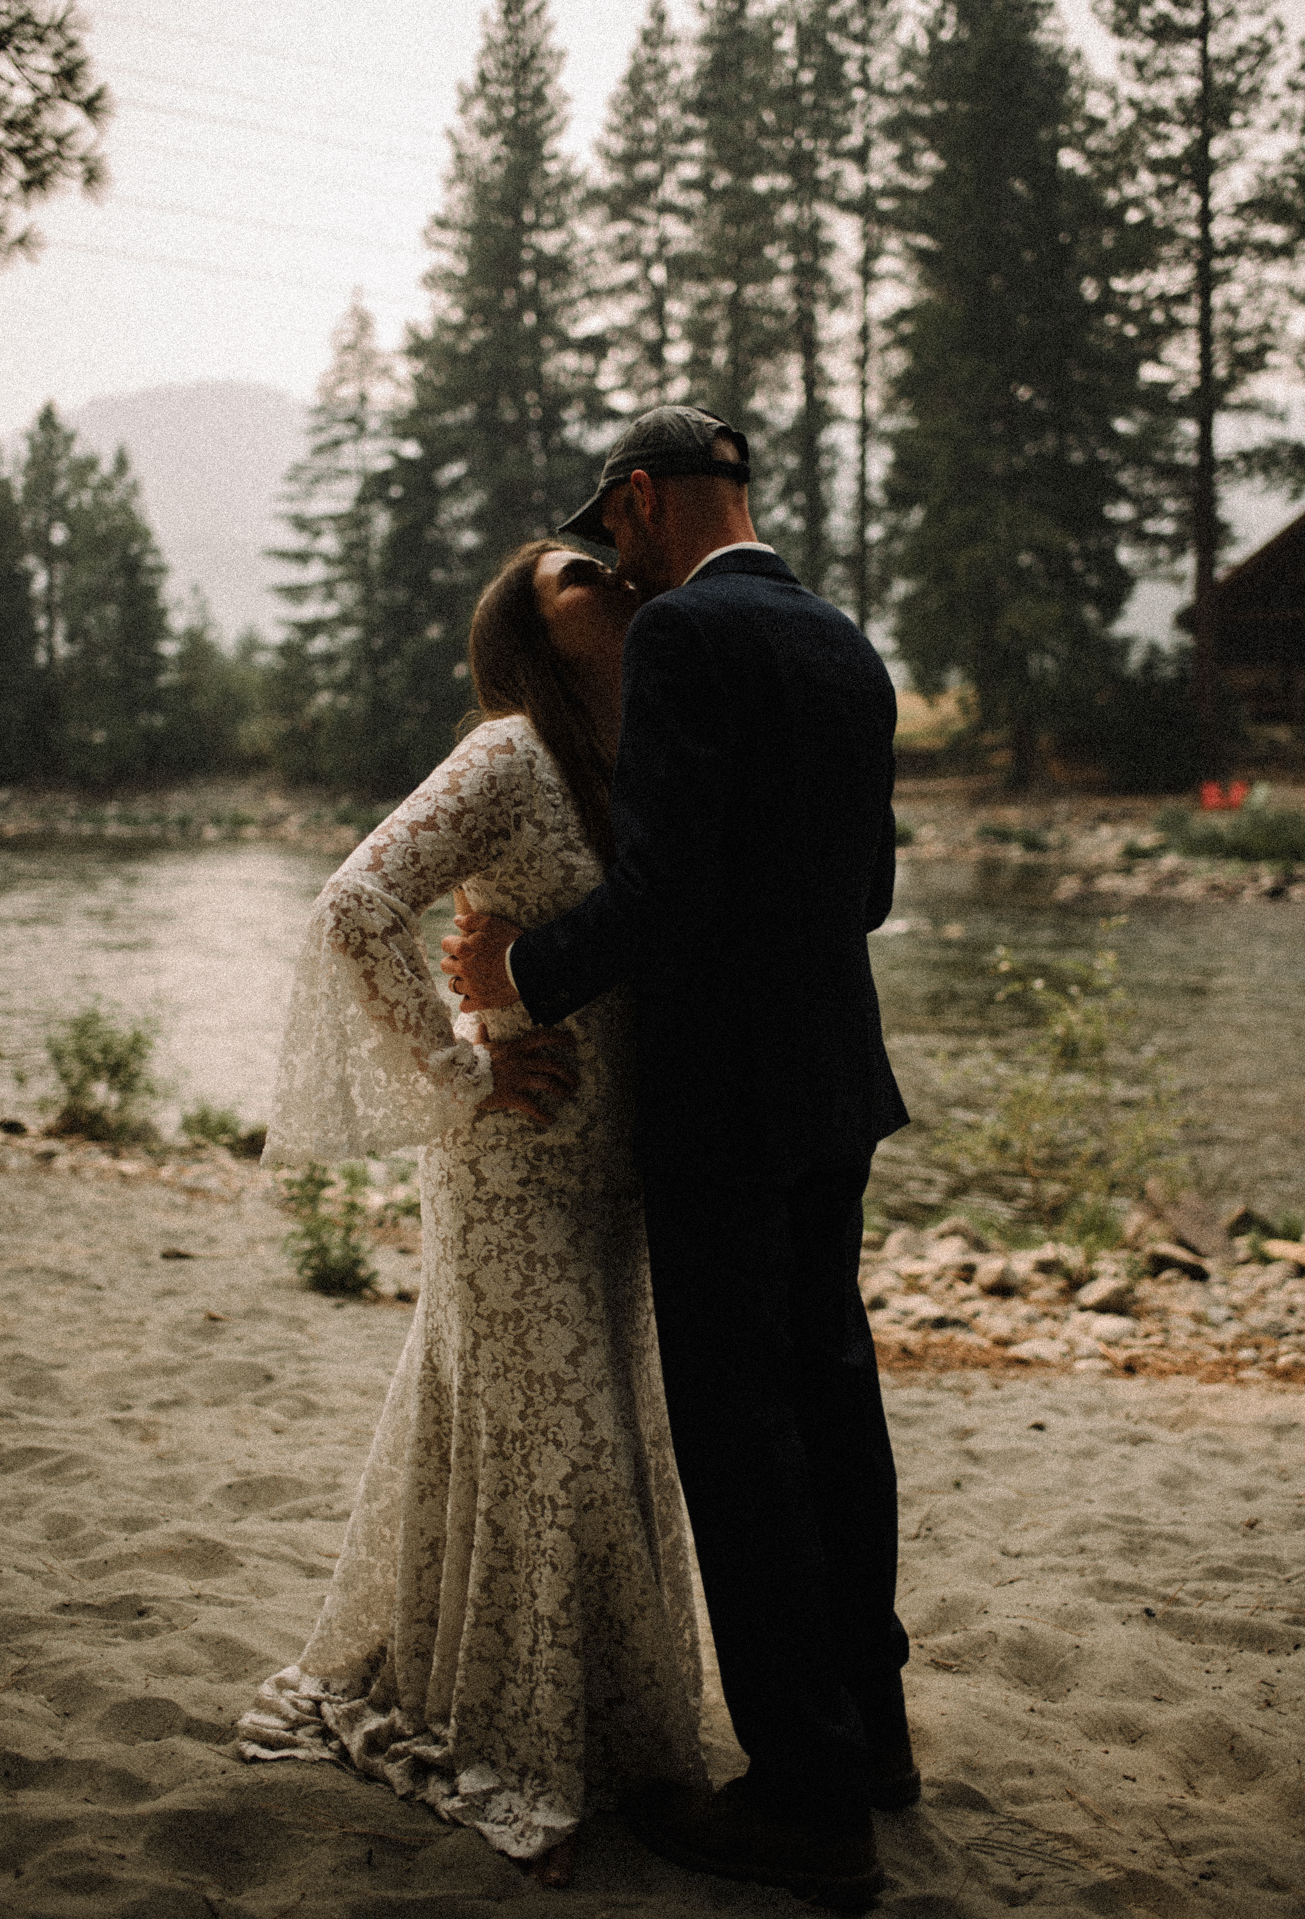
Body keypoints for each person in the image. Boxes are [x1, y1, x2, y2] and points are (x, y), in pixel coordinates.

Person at [443, 406, 914, 1908]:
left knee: (743, 1433)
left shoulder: (684, 647)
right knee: (836, 1400)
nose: (612, 558)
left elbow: (659, 892)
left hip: (720, 1097)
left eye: (611, 526)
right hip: (837, 1081)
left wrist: (519, 972)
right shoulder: (845, 643)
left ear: (640, 500)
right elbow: (874, 888)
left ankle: (802, 1798)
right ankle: (874, 1737)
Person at [237, 540, 710, 1886]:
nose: (615, 577)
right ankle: (519, 1755)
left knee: (594, 1437)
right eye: (579, 574)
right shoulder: (506, 752)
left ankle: (597, 1736)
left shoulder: (645, 756)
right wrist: (461, 1065)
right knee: (549, 1443)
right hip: (512, 1165)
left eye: (621, 566)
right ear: (527, 631)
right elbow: (356, 902)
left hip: (623, 1170)